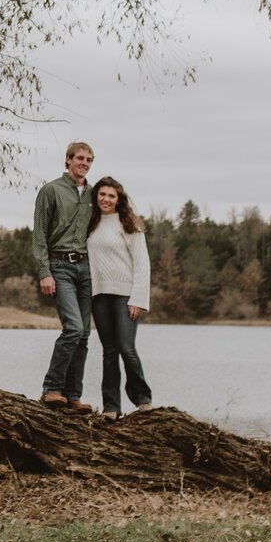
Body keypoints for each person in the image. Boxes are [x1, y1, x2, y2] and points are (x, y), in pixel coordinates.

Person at [31, 141, 97, 409]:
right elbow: (39, 234)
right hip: (60, 267)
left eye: (89, 159)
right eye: (80, 158)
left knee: (84, 335)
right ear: (68, 160)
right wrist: (44, 272)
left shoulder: (95, 195)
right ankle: (51, 388)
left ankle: (72, 396)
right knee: (73, 328)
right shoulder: (51, 191)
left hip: (87, 268)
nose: (84, 163)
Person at [86, 176, 154, 415]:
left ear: (119, 199)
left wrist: (138, 299)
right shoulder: (90, 223)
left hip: (126, 296)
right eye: (102, 194)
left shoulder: (129, 224)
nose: (106, 199)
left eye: (111, 196)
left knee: (127, 348)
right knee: (109, 352)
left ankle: (143, 399)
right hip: (99, 295)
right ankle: (111, 408)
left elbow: (142, 263)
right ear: (96, 196)